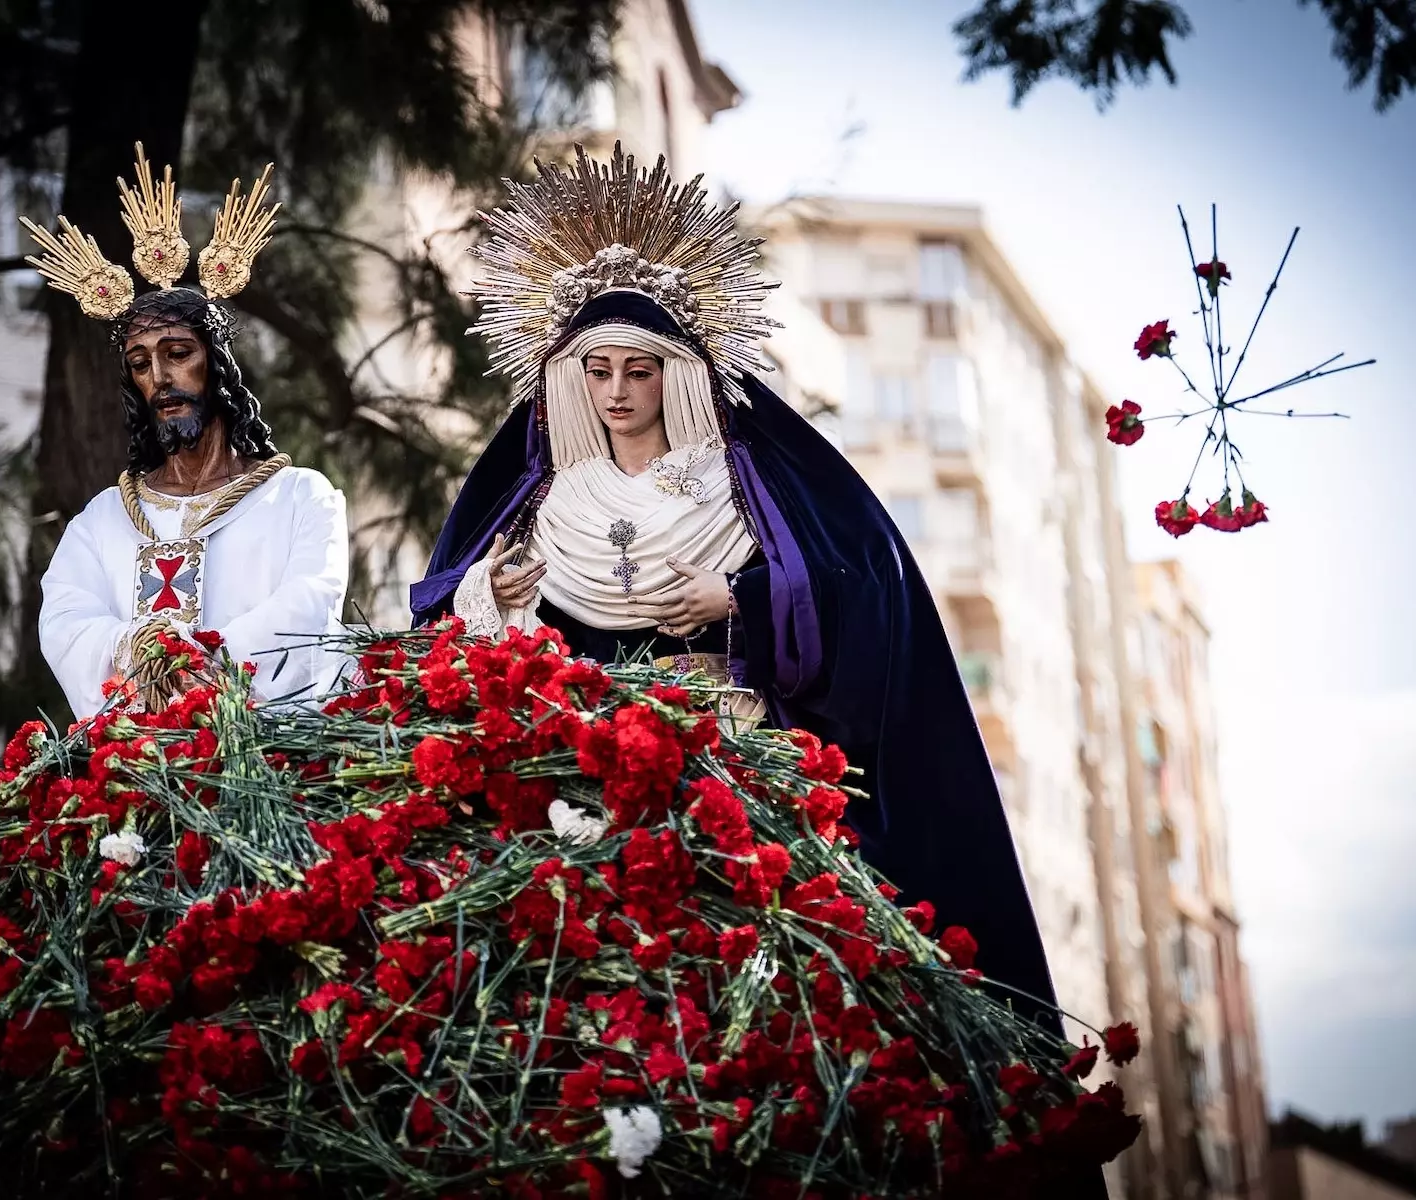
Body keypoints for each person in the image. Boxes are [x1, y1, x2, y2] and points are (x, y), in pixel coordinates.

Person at [414, 144, 1062, 1025]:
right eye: (597, 371)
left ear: (675, 372)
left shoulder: (744, 478)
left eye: (637, 370)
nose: (616, 391)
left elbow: (870, 598)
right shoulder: (543, 498)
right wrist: (495, 592)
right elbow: (452, 622)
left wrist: (740, 603)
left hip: (735, 767)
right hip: (581, 784)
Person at [28, 145, 348, 717]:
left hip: (271, 756)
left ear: (217, 364)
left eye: (178, 353)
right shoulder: (103, 520)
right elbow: (64, 620)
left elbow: (309, 604)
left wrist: (202, 658)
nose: (160, 377)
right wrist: (135, 648)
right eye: (141, 362)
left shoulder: (299, 497)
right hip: (144, 766)